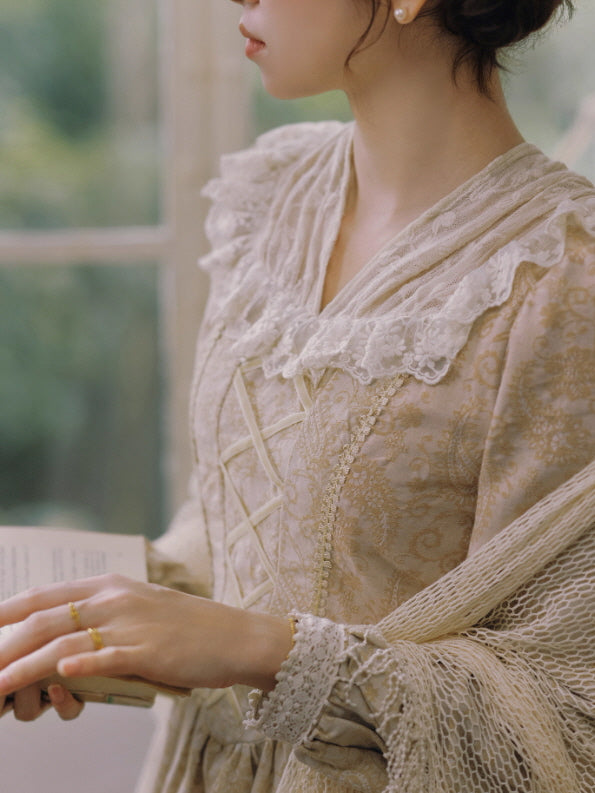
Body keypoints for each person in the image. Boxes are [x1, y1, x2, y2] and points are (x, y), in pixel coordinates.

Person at [1, 0, 594, 791]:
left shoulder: (559, 280)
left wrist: (257, 649)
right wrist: (105, 616)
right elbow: (249, 523)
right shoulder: (271, 195)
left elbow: (562, 710)